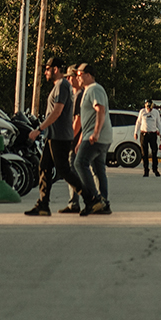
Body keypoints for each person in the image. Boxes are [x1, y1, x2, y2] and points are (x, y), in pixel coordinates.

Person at [23, 59, 84, 217]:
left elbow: (57, 112)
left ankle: (91, 198)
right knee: (44, 168)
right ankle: (43, 205)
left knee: (64, 170)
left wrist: (39, 129)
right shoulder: (59, 86)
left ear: (55, 69)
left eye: (48, 69)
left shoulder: (62, 86)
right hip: (53, 136)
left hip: (60, 137)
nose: (45, 72)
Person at [72, 63, 112, 215]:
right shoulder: (87, 91)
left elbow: (100, 110)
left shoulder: (95, 89)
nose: (77, 77)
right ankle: (104, 203)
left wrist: (95, 133)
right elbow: (86, 119)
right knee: (98, 170)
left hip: (97, 137)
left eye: (80, 74)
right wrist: (80, 138)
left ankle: (95, 199)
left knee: (80, 163)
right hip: (92, 136)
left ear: (88, 75)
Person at [136, 100, 161, 177]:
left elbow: (159, 123)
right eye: (148, 108)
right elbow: (138, 122)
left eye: (150, 108)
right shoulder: (142, 112)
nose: (149, 110)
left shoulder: (155, 112)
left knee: (154, 152)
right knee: (144, 153)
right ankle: (146, 170)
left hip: (153, 134)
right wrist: (136, 132)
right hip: (144, 134)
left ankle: (155, 169)